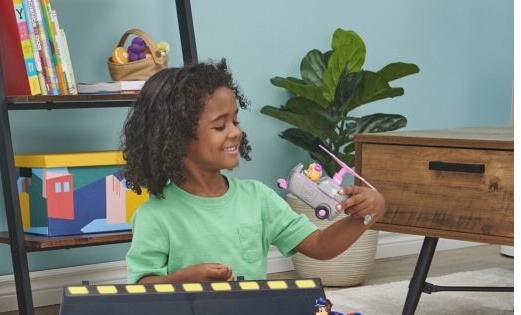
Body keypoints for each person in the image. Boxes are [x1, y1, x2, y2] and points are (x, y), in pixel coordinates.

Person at [121, 59, 385, 284]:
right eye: (220, 126)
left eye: (235, 120)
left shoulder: (257, 198)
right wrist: (185, 280)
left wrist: (365, 214)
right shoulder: (155, 216)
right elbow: (142, 287)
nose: (236, 132)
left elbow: (320, 245)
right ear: (175, 139)